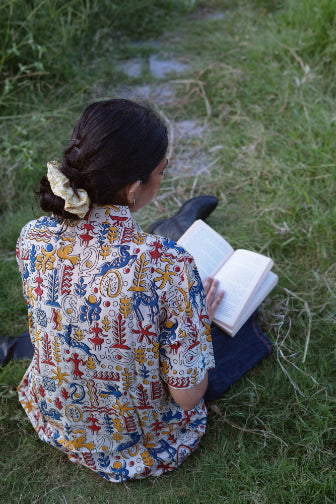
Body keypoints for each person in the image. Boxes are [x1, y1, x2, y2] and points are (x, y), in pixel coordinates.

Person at [16, 99, 272, 482]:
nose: (162, 178)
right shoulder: (168, 265)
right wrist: (195, 320)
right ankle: (175, 227)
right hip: (135, 442)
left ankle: (173, 225)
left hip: (56, 416)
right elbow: (188, 396)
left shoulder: (32, 235)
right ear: (135, 189)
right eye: (161, 172)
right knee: (246, 331)